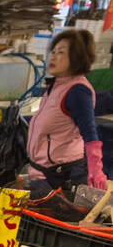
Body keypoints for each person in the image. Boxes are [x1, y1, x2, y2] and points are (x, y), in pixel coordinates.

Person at [26, 29, 105, 195]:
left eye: (61, 52)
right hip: (40, 174)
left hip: (60, 177)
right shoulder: (55, 86)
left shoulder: (77, 91)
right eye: (53, 51)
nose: (53, 57)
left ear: (76, 57)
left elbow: (90, 135)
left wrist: (95, 170)